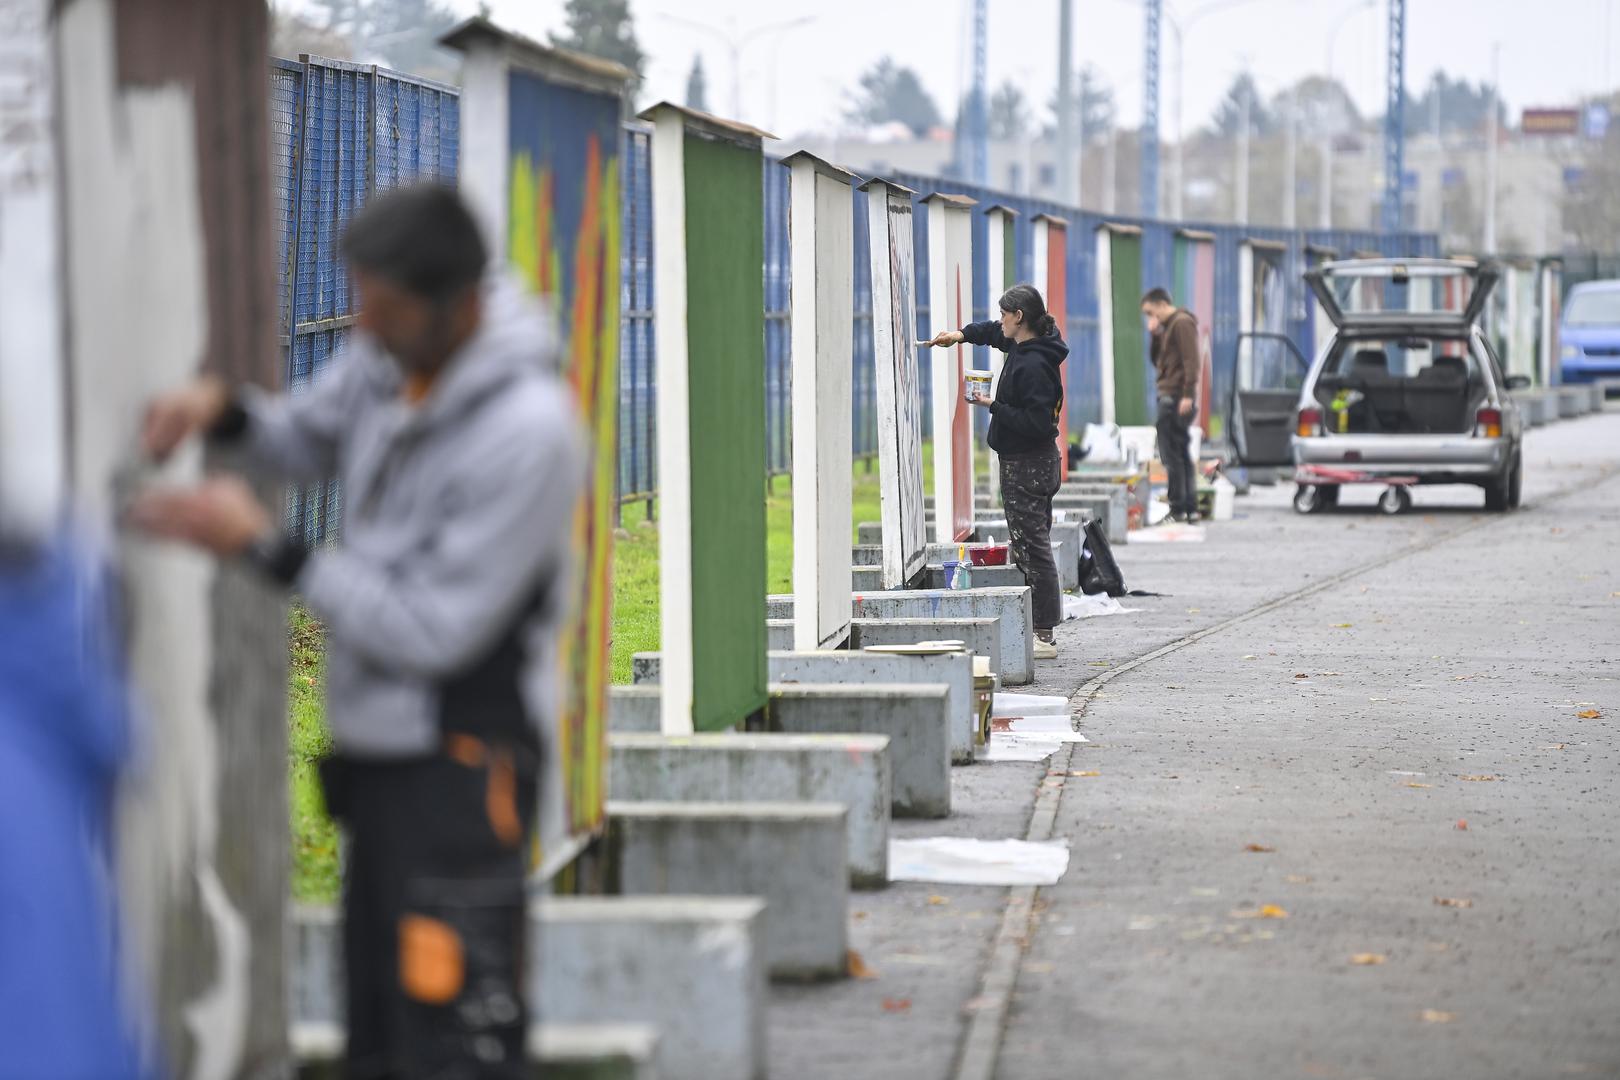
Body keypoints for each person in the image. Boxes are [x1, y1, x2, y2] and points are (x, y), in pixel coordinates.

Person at [130, 184, 584, 1078]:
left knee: (456, 1039)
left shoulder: (530, 433)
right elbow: (302, 435)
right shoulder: (391, 360)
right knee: (377, 1033)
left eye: (383, 308)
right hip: (378, 762)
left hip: (462, 764)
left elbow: (432, 629)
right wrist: (221, 411)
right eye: (360, 302)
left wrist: (268, 548)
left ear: (457, 303)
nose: (364, 328)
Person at [926, 284, 1067, 660]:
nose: (1000, 320)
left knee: (1032, 547)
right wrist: (960, 336)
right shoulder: (1027, 345)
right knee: (1029, 543)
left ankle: (1044, 634)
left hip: (1029, 464)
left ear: (1019, 318)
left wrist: (994, 406)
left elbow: (1037, 423)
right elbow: (993, 333)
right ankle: (1041, 628)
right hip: (1031, 462)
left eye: (1005, 313)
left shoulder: (1034, 364)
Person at [1141, 287, 1202, 523]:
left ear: (1161, 305)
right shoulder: (1168, 329)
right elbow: (1157, 361)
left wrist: (1188, 394)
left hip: (1175, 397)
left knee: (1172, 455)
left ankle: (1179, 507)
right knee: (1179, 453)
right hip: (1171, 395)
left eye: (1150, 312)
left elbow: (1192, 361)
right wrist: (1155, 335)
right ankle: (1188, 508)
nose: (1150, 317)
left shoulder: (1182, 323)